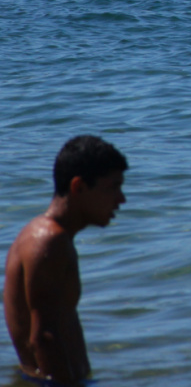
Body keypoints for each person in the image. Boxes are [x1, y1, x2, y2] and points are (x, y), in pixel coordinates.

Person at [4, 136, 129, 387]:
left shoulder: (46, 236)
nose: (121, 199)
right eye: (113, 187)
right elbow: (43, 337)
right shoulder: (49, 241)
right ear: (78, 187)